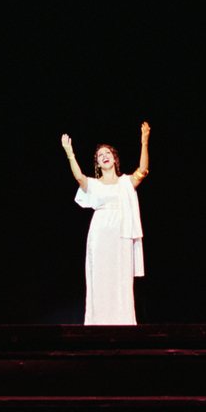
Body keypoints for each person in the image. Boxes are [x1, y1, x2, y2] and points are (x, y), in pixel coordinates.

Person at [61, 122, 150, 325]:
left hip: (122, 235)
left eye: (107, 152)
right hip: (100, 235)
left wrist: (144, 141)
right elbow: (78, 177)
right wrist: (70, 153)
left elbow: (143, 170)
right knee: (99, 279)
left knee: (121, 279)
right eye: (100, 155)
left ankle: (123, 324)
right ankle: (97, 325)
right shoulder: (93, 184)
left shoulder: (126, 182)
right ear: (98, 163)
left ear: (115, 159)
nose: (104, 155)